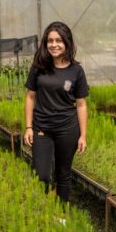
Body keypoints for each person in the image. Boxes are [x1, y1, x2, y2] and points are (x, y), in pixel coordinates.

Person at [24, 21, 88, 203]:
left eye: (58, 40)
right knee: (41, 174)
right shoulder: (39, 67)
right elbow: (30, 97)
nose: (54, 45)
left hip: (67, 129)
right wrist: (29, 127)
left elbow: (81, 104)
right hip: (42, 128)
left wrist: (83, 135)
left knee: (63, 173)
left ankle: (61, 214)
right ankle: (43, 210)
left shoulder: (77, 71)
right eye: (50, 41)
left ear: (67, 42)